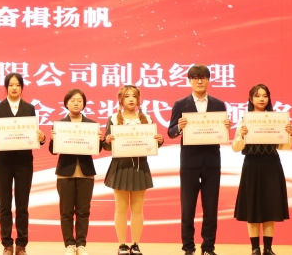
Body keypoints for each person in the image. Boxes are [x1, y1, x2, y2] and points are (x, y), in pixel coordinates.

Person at [168, 64, 231, 255]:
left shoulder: (219, 104)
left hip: (212, 161)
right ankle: (188, 248)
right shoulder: (181, 104)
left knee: (211, 207)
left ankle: (208, 248)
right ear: (189, 81)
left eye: (203, 77)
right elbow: (170, 132)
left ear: (209, 80)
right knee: (188, 207)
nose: (199, 81)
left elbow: (221, 131)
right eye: (195, 78)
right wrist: (179, 127)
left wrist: (226, 126)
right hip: (190, 162)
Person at [0, 73, 45, 255]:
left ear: (22, 87)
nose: (14, 88)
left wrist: (41, 138)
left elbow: (35, 134)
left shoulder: (29, 108)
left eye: (17, 85)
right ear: (6, 87)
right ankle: (7, 244)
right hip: (3, 163)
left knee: (22, 206)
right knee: (4, 205)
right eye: (11, 85)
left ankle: (21, 244)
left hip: (24, 163)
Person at [102, 85, 164, 255]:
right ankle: (122, 245)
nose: (131, 99)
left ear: (138, 99)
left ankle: (135, 244)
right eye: (127, 96)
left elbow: (152, 144)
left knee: (137, 208)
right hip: (120, 167)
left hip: (140, 166)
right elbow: (106, 146)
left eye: (134, 96)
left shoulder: (146, 119)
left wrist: (159, 140)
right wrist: (107, 140)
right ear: (120, 100)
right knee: (121, 208)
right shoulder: (113, 119)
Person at [232, 84, 292, 255]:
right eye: (257, 96)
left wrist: (289, 133)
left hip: (271, 165)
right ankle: (255, 249)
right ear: (251, 99)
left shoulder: (277, 119)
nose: (261, 99)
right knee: (252, 208)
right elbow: (236, 148)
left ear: (269, 98)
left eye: (265, 96)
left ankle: (267, 248)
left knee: (269, 207)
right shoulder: (244, 120)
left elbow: (284, 146)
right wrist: (241, 134)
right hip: (252, 166)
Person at [49, 89, 103, 255]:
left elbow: (97, 149)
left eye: (79, 100)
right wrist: (53, 140)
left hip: (85, 173)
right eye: (72, 100)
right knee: (66, 212)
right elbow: (53, 150)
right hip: (65, 172)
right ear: (66, 103)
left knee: (83, 212)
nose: (76, 103)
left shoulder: (91, 125)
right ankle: (69, 245)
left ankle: (81, 244)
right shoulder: (60, 125)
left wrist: (98, 140)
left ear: (84, 104)